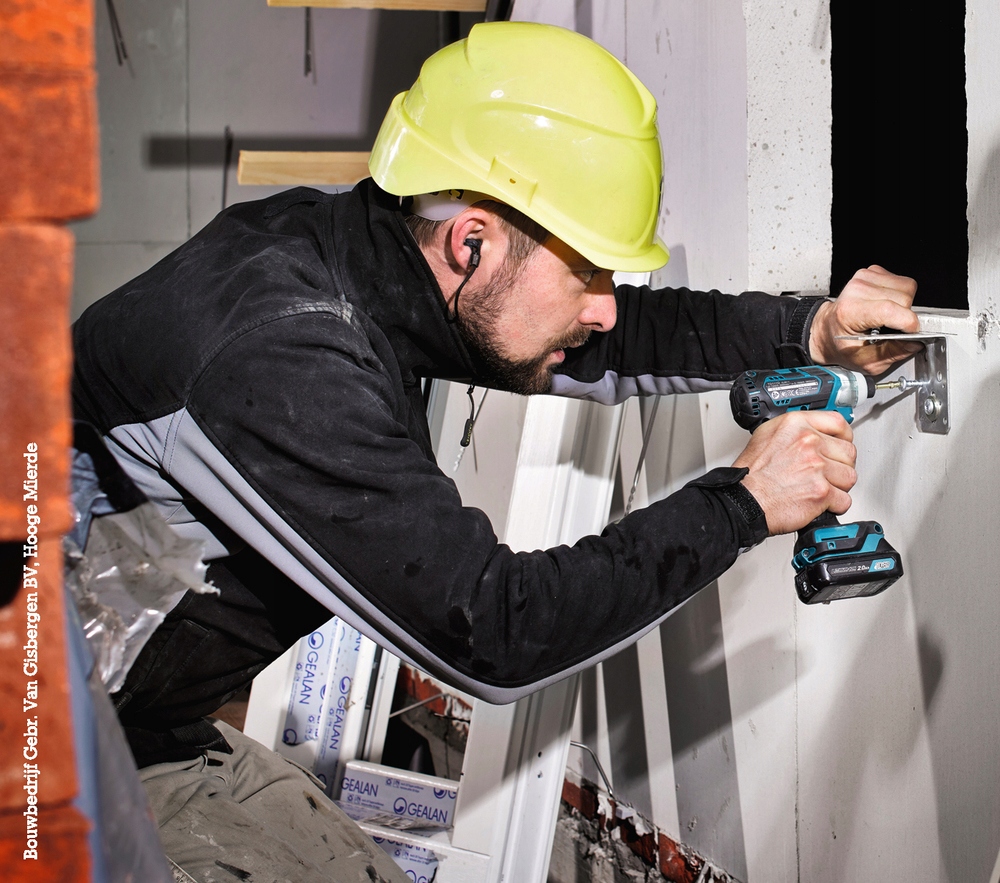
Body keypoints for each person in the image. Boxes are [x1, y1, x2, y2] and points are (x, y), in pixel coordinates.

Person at [71, 21, 919, 882]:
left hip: (138, 731)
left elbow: (613, 341)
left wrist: (807, 330)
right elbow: (496, 629)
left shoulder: (356, 260)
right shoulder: (283, 356)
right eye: (588, 272)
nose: (605, 306)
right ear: (470, 238)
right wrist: (742, 501)